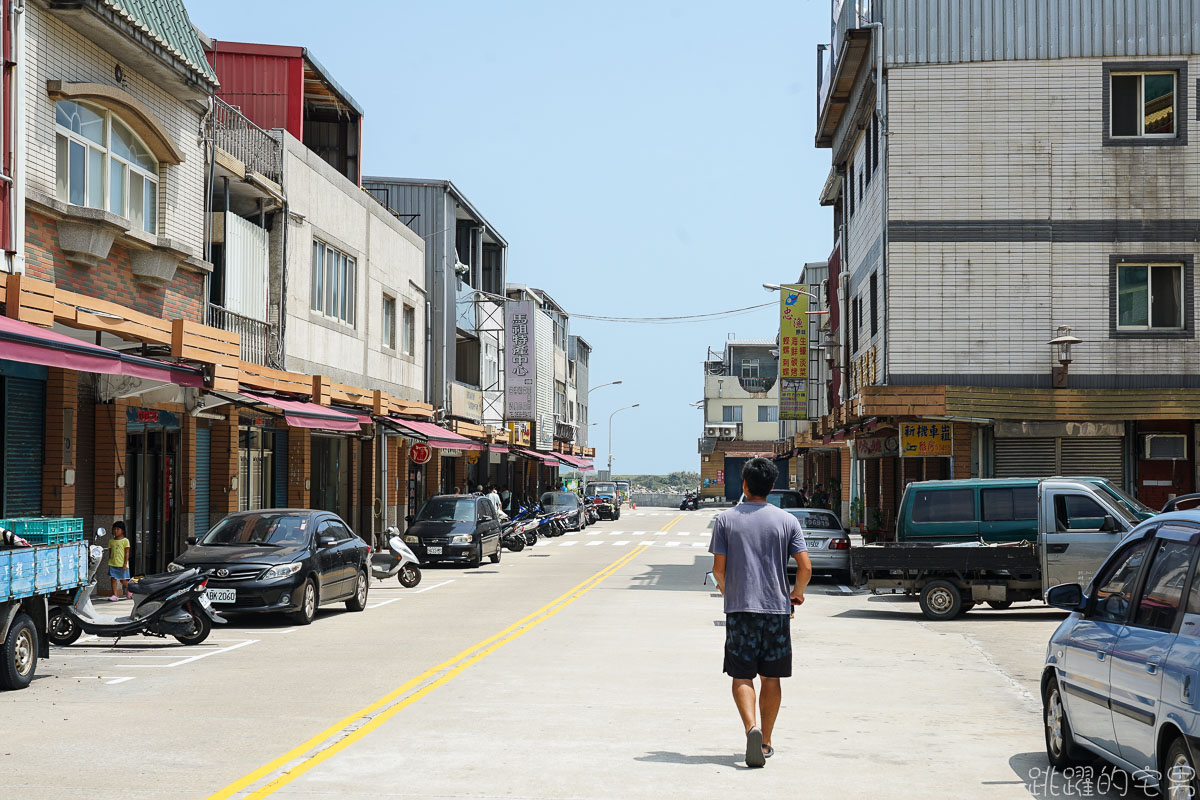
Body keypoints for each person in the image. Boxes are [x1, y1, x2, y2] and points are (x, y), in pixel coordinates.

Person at [709, 457, 812, 768]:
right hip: (776, 611)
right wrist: (797, 594)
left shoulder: (726, 520)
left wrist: (731, 592)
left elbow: (718, 570)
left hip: (740, 610)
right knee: (771, 677)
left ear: (744, 485)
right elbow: (805, 566)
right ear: (771, 487)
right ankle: (765, 741)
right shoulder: (787, 521)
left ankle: (750, 728)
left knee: (742, 675)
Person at [108, 521, 132, 601]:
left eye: (118, 529)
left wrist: (125, 563)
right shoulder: (111, 541)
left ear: (123, 530)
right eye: (114, 529)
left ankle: (131, 589)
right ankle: (115, 595)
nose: (116, 531)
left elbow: (127, 553)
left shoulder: (125, 541)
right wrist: (110, 560)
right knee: (113, 579)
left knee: (122, 580)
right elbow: (110, 552)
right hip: (113, 563)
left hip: (121, 564)